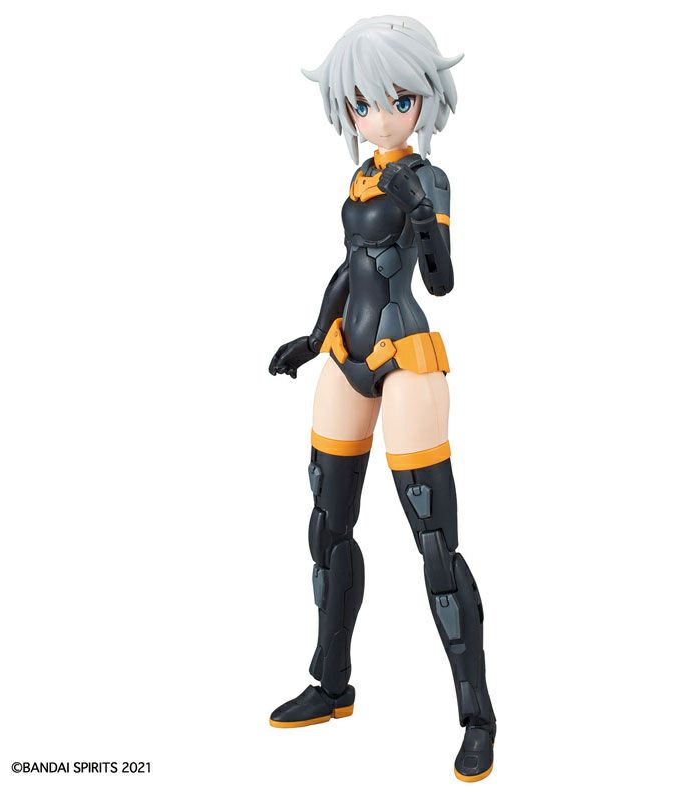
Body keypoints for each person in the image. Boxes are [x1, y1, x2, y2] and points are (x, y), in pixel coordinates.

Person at [267, 15, 496, 782]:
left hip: (405, 358)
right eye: (361, 104)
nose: (379, 116)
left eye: (398, 99)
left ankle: (477, 716)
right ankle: (331, 684)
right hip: (348, 353)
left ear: (425, 97)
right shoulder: (362, 177)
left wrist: (424, 218)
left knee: (434, 542)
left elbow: (440, 280)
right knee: (328, 528)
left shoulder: (425, 178)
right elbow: (353, 266)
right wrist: (313, 336)